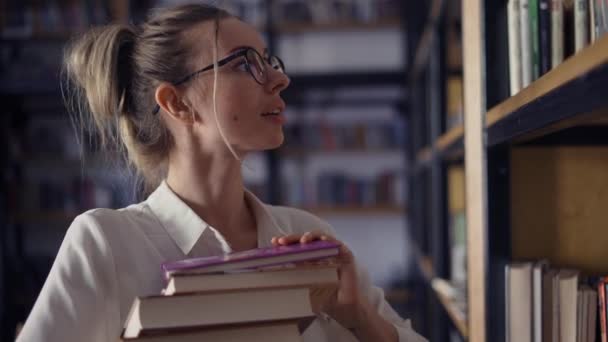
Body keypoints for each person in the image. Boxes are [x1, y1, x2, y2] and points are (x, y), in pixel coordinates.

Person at [17, 4, 426, 342]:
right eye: (247, 64)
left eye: (270, 62)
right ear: (176, 103)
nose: (281, 79)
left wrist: (357, 316)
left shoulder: (309, 236)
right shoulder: (104, 243)